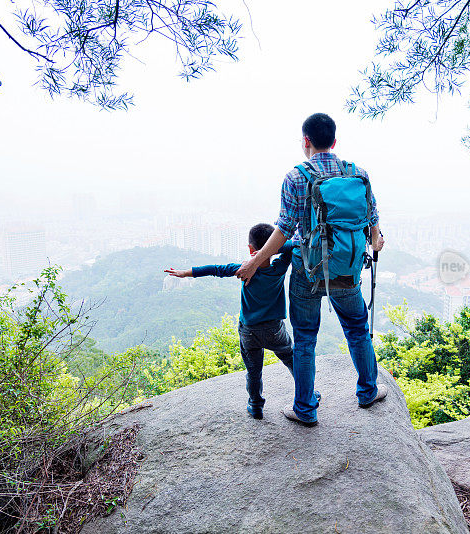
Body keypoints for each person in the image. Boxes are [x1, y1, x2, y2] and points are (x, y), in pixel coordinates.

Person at [235, 113, 386, 426]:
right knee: (358, 330)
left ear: (306, 141)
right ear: (334, 141)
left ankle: (305, 410)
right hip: (345, 267)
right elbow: (373, 220)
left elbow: (284, 230)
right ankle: (368, 390)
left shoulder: (296, 177)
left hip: (308, 270)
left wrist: (255, 260)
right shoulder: (357, 173)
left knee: (304, 340)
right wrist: (375, 240)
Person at [164, 223, 299, 420]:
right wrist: (275, 247)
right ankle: (306, 393)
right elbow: (293, 245)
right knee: (291, 359)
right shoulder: (279, 268)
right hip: (274, 330)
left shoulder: (241, 270)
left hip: (249, 331)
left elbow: (214, 269)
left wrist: (185, 272)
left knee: (254, 372)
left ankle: (255, 406)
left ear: (250, 248)